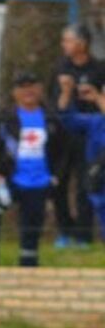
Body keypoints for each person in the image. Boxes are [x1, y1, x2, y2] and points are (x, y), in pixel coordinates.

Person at [0, 72, 64, 267]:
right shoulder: (6, 118)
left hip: (40, 182)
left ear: (41, 90)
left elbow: (62, 151)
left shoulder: (52, 119)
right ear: (15, 92)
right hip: (11, 179)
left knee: (31, 227)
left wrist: (56, 176)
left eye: (32, 86)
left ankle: (28, 265)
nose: (28, 91)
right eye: (22, 87)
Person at [50, 24, 104, 248]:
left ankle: (83, 235)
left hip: (91, 133)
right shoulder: (60, 68)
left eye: (68, 41)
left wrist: (95, 97)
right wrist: (66, 91)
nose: (64, 45)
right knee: (58, 183)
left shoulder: (99, 69)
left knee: (86, 183)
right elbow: (56, 105)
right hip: (64, 134)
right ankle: (65, 231)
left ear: (82, 43)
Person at [58, 77, 105, 241]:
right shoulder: (96, 121)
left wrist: (98, 98)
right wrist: (66, 92)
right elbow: (66, 118)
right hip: (99, 176)